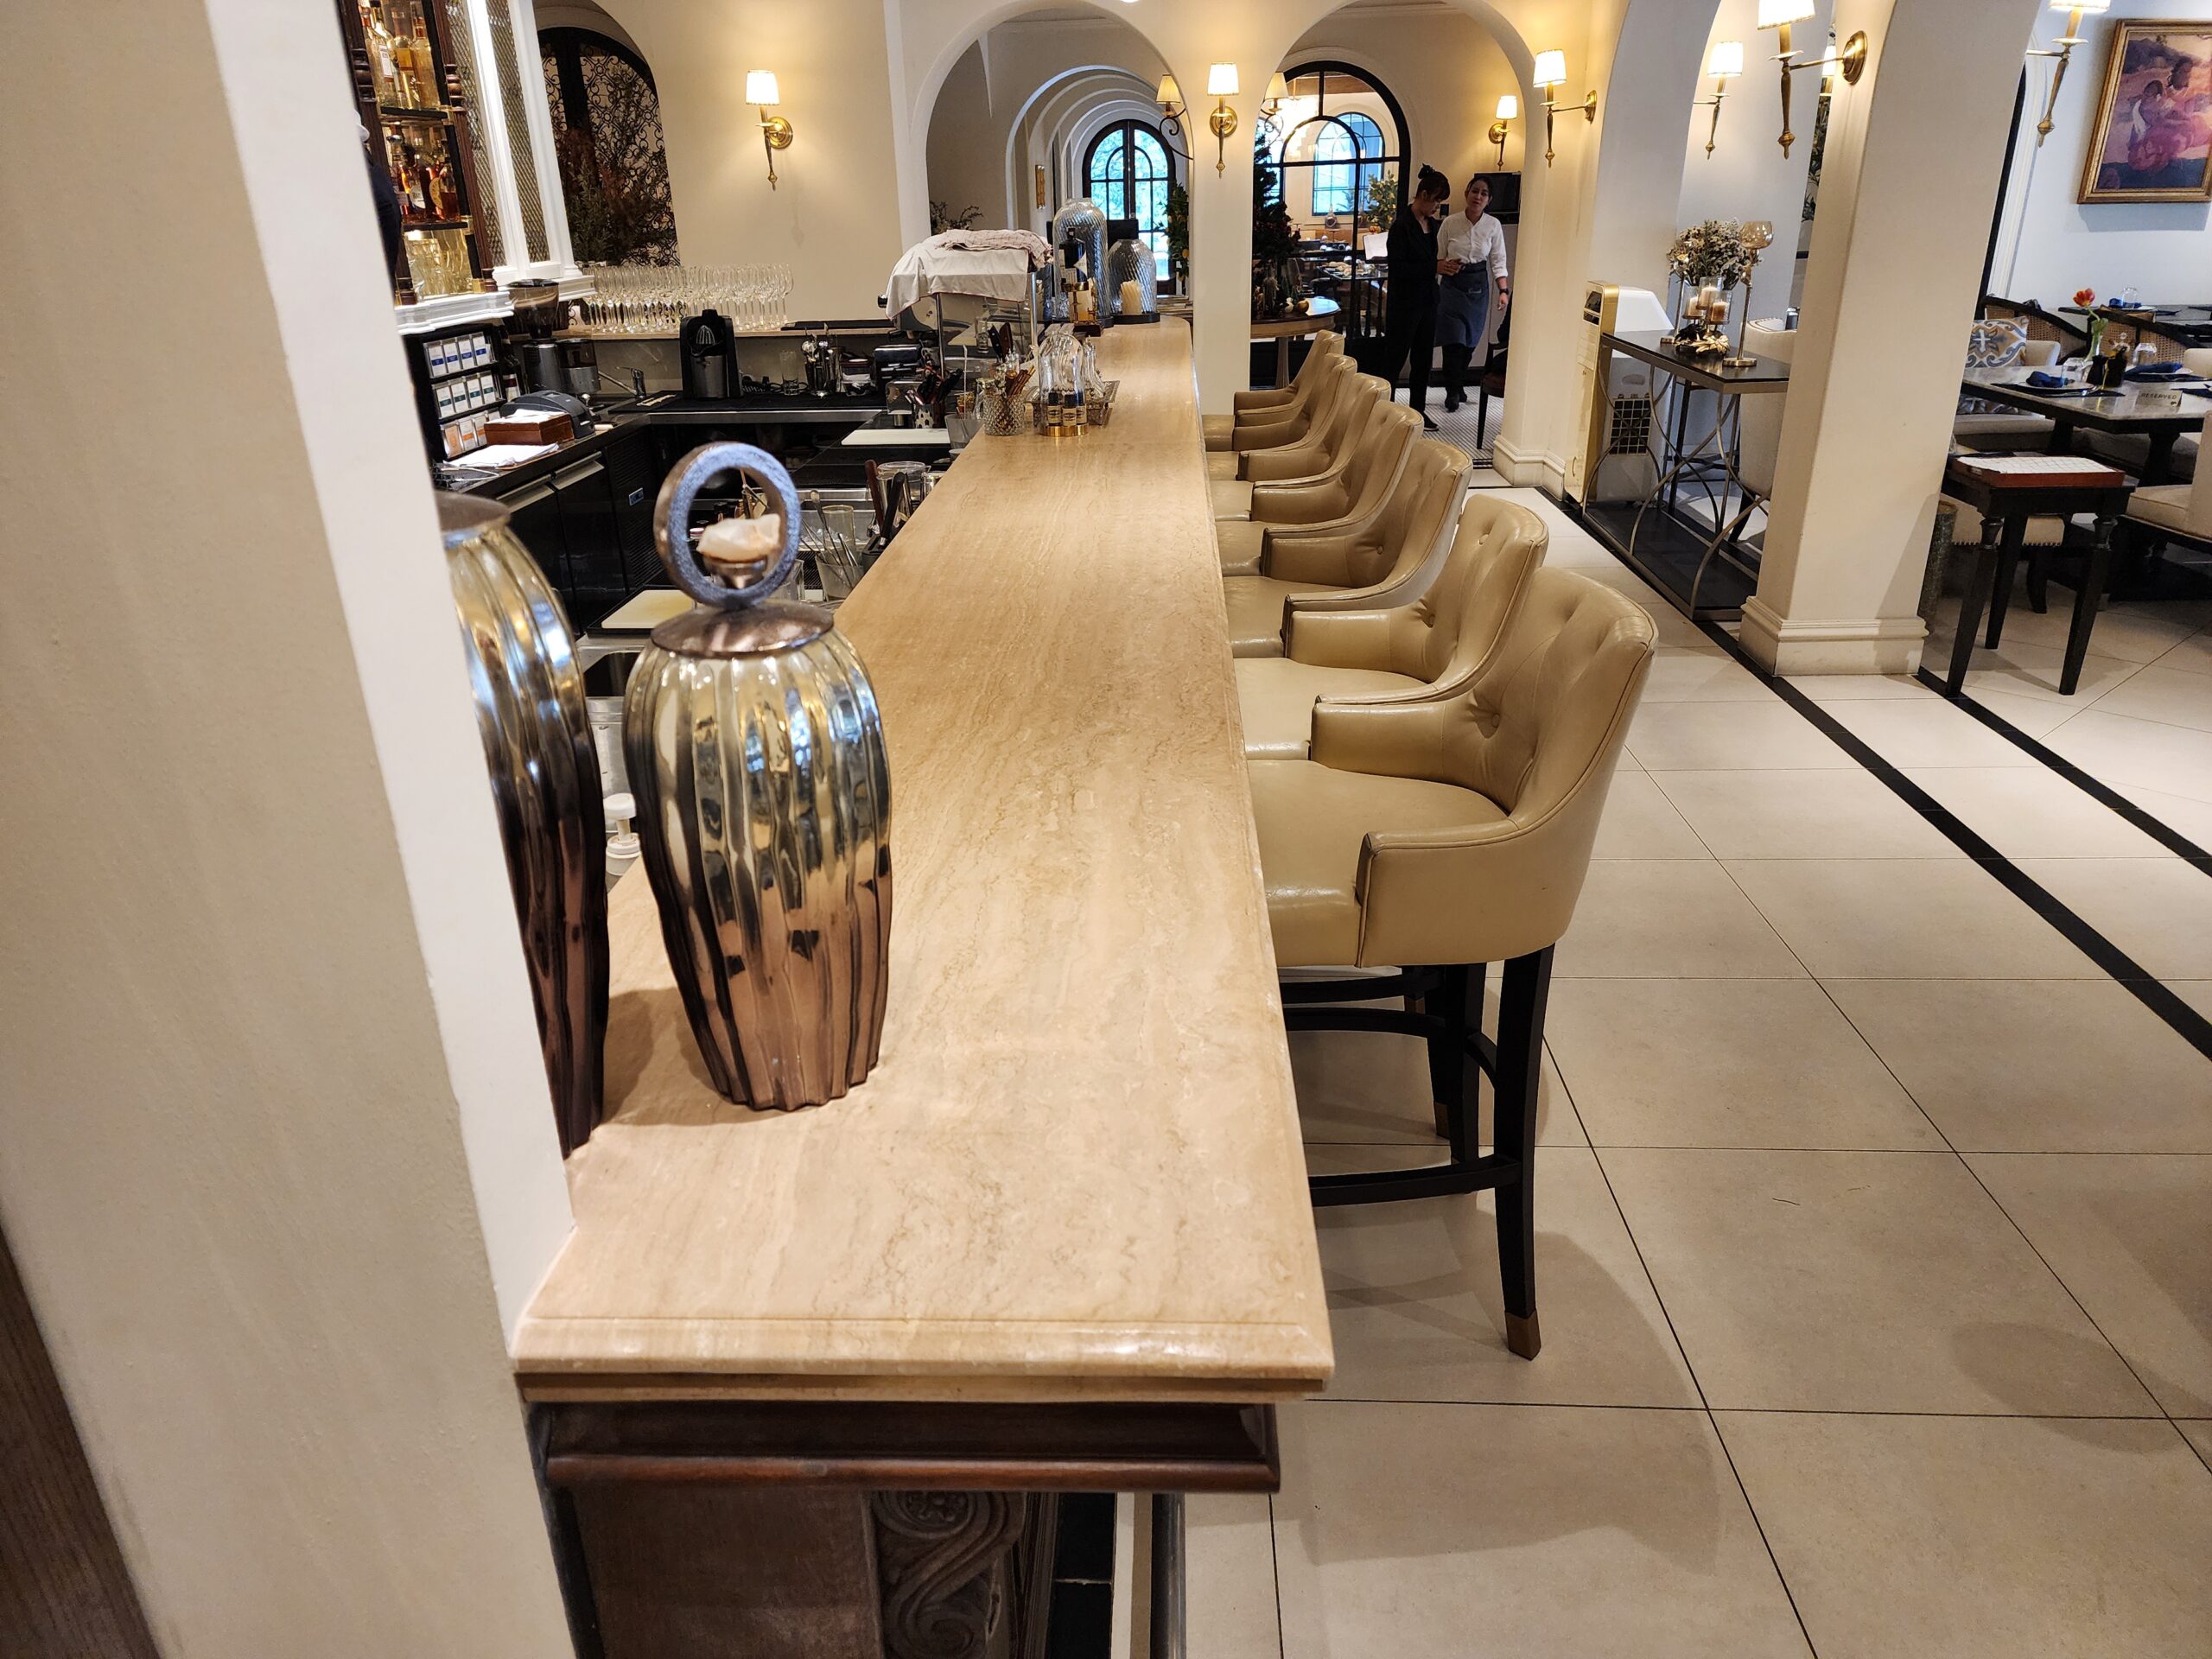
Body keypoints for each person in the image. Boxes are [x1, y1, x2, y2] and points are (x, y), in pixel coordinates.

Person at [1380, 165, 1455, 430]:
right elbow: (1399, 268)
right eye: (1436, 201)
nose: (1437, 207)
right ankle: (1384, 412)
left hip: (1428, 301)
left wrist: (1443, 266)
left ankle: (1418, 412)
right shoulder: (1401, 227)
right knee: (1395, 358)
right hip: (1404, 303)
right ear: (1423, 195)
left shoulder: (1432, 226)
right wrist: (1434, 267)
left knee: (1423, 360)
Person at [1436, 174, 1510, 415]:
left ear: (1489, 200)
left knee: (1469, 342)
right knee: (1453, 340)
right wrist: (1441, 267)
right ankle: (1452, 391)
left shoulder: (1493, 225)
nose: (1478, 196)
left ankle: (1457, 383)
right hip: (1451, 286)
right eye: (1475, 191)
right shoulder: (1450, 223)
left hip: (1478, 286)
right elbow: (1438, 256)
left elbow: (1498, 260)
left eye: (1484, 193)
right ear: (1466, 193)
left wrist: (1503, 290)